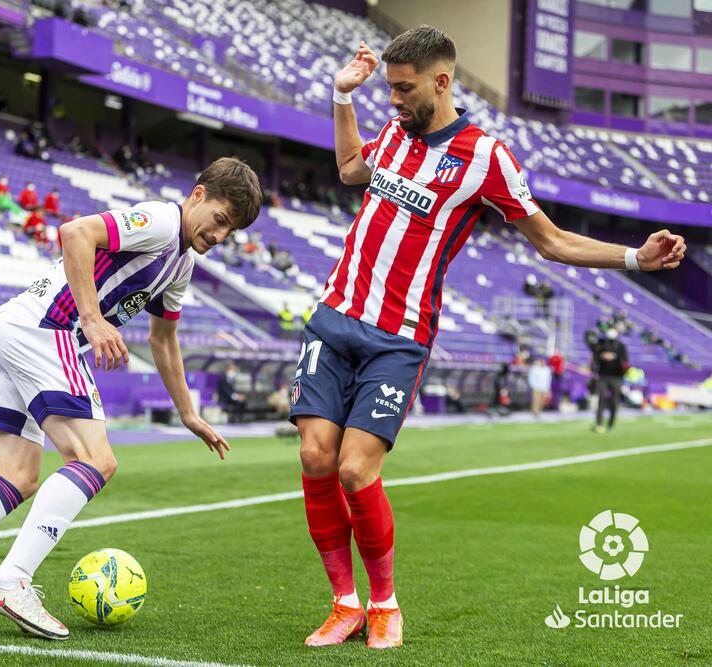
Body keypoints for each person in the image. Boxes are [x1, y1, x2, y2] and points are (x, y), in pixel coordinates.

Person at [291, 27, 686, 651]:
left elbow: (551, 240)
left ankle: (384, 605)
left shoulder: (485, 158)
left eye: (403, 88)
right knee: (316, 459)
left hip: (398, 337)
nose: (392, 99)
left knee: (355, 469)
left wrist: (634, 258)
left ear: (441, 82)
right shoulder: (394, 133)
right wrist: (342, 98)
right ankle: (343, 604)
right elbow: (348, 169)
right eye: (388, 87)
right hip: (335, 317)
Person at [0, 157, 262, 638]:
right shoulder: (160, 220)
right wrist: (90, 318)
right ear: (197, 195)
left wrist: (188, 413)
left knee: (18, 475)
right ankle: (11, 581)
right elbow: (74, 232)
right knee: (97, 459)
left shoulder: (181, 264)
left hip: (10, 330)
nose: (220, 235)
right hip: (48, 331)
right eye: (220, 219)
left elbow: (163, 341)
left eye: (230, 230)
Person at [591, 328, 628, 433]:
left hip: (616, 377)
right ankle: (599, 423)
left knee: (614, 401)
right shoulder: (601, 344)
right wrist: (602, 356)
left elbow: (625, 360)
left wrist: (614, 357)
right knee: (601, 399)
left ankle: (611, 424)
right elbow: (595, 356)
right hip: (603, 376)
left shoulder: (621, 346)